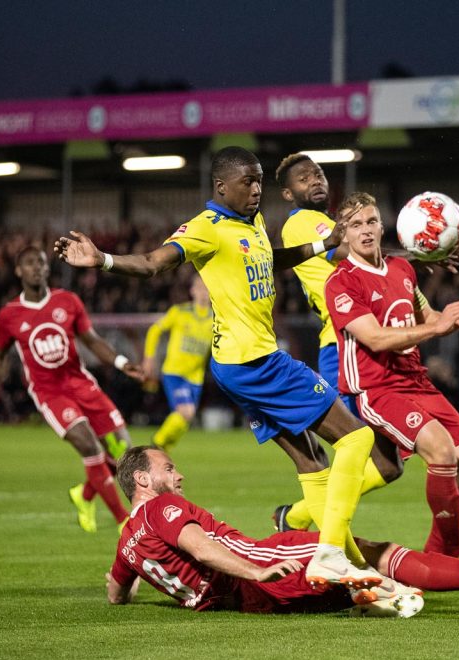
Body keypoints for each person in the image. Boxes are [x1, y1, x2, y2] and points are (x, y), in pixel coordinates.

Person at [55, 146, 381, 588]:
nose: (256, 189)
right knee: (357, 436)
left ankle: (350, 565)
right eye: (247, 182)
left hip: (238, 367)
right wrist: (104, 260)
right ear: (221, 186)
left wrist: (324, 244)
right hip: (257, 362)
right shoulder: (206, 228)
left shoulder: (255, 222)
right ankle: (332, 554)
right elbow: (153, 263)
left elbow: (270, 259)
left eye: (260, 181)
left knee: (311, 459)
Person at [274, 154, 459, 564]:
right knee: (363, 449)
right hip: (346, 347)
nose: (315, 182)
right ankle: (332, 542)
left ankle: (299, 516)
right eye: (304, 179)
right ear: (289, 194)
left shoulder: (394, 268)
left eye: (319, 174)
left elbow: (406, 292)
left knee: (391, 466)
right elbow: (346, 250)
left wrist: (418, 263)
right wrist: (419, 252)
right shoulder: (302, 224)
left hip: (397, 357)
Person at [106, 445, 459, 616]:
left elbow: (115, 592)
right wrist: (256, 569)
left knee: (353, 575)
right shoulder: (162, 507)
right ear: (142, 480)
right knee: (368, 550)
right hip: (259, 565)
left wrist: (154, 588)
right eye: (168, 468)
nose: (178, 475)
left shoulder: (127, 541)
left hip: (245, 603)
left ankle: (373, 599)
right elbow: (199, 548)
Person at [324, 191, 459, 560]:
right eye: (355, 225)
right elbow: (375, 338)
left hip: (418, 382)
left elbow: (426, 315)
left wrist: (455, 313)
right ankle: (451, 558)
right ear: (344, 234)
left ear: (383, 226)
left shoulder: (402, 269)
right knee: (441, 451)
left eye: (370, 221)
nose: (365, 230)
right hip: (377, 390)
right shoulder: (342, 281)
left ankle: (439, 551)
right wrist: (438, 329)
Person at [0, 245, 143, 533]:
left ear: (47, 268)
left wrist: (120, 361)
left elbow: (92, 340)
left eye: (40, 262)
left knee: (124, 454)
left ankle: (85, 494)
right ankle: (123, 522)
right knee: (88, 444)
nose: (36, 268)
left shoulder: (68, 301)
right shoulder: (10, 314)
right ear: (18, 271)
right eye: (29, 263)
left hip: (82, 385)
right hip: (50, 394)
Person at [141, 275, 212, 452]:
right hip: (174, 372)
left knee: (185, 419)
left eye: (207, 288)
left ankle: (165, 450)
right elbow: (155, 330)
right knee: (185, 412)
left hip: (196, 377)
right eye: (200, 288)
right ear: (192, 291)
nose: (204, 293)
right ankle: (156, 444)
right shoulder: (180, 312)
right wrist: (149, 358)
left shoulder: (217, 320)